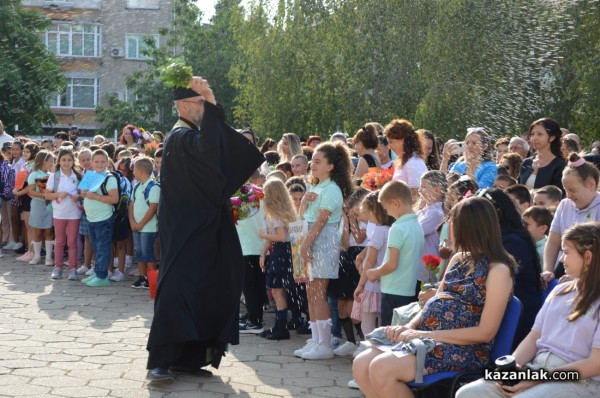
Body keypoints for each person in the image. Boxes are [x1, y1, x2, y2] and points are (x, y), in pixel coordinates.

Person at [146, 77, 264, 382]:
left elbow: (218, 153)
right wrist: (211, 99)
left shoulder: (192, 134)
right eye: (201, 104)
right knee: (175, 290)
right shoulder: (179, 137)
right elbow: (210, 146)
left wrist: (211, 102)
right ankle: (160, 360)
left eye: (205, 105)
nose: (206, 110)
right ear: (185, 105)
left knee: (207, 287)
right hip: (185, 229)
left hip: (205, 225)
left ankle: (188, 357)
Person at [353, 196, 515, 398]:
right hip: (428, 338)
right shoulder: (458, 258)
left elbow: (485, 332)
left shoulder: (498, 270)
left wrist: (426, 335)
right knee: (361, 363)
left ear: (468, 228)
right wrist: (408, 327)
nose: (447, 230)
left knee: (382, 368)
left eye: (451, 224)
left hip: (463, 349)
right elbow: (435, 301)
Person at [456, 222, 600, 398]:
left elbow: (595, 364)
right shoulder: (559, 291)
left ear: (588, 258)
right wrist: (514, 367)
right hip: (537, 369)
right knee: (469, 393)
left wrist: (537, 378)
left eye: (567, 252)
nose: (561, 259)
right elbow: (534, 336)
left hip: (580, 381)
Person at [294, 141, 354, 360]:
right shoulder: (316, 186)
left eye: (318, 162)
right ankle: (316, 339)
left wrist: (306, 245)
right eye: (312, 161)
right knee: (311, 292)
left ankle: (325, 344)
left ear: (331, 166)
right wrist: (302, 205)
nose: (313, 165)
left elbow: (321, 221)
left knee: (319, 293)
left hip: (322, 242)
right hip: (311, 240)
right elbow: (304, 218)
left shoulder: (332, 189)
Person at [368, 180, 424, 326]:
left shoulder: (398, 227)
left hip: (393, 290)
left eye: (386, 208)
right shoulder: (417, 225)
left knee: (388, 335)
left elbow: (392, 264)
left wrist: (375, 273)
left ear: (395, 203)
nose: (387, 212)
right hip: (409, 289)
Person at [542, 153, 600, 282]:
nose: (568, 195)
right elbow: (553, 242)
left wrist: (579, 277)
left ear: (591, 184)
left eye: (572, 190)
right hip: (563, 269)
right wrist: (548, 269)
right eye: (565, 190)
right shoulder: (564, 205)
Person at [257, 178, 297, 340]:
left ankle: (282, 328)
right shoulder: (286, 212)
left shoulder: (275, 213)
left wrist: (262, 235)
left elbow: (279, 236)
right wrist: (263, 252)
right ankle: (279, 327)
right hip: (284, 251)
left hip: (281, 251)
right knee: (277, 290)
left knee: (277, 291)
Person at [80, 149, 119, 287]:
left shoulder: (110, 178)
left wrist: (94, 196)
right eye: (96, 161)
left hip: (104, 218)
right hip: (91, 218)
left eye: (103, 161)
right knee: (96, 247)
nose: (99, 164)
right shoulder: (90, 175)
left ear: (108, 162)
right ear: (92, 162)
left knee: (103, 247)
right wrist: (84, 193)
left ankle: (102, 276)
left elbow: (114, 198)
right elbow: (82, 192)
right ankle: (97, 273)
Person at [45, 148, 82, 280]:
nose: (66, 163)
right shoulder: (53, 176)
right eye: (63, 160)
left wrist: (78, 196)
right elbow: (47, 195)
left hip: (74, 214)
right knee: (60, 241)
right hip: (59, 213)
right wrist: (58, 194)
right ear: (59, 161)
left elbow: (83, 193)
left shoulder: (78, 176)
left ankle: (73, 268)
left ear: (73, 161)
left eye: (69, 160)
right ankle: (58, 267)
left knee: (72, 242)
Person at [129, 157, 159, 289]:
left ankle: (153, 282)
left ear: (141, 171)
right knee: (139, 253)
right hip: (137, 227)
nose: (133, 172)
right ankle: (143, 279)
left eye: (134, 169)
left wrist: (141, 224)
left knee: (148, 253)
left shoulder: (154, 187)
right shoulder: (136, 186)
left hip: (148, 228)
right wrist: (132, 222)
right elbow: (131, 205)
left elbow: (153, 208)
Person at [384, 119, 428, 199]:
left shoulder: (414, 163)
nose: (389, 147)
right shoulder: (406, 161)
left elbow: (417, 196)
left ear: (402, 140)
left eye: (391, 142)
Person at [519, 118, 566, 191]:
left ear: (552, 138)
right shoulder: (526, 162)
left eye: (540, 134)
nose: (534, 138)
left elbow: (558, 194)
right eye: (532, 134)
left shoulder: (560, 166)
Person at [522, 206, 553, 271]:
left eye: (526, 224)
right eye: (521, 223)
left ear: (543, 228)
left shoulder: (544, 251)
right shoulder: (525, 244)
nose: (522, 227)